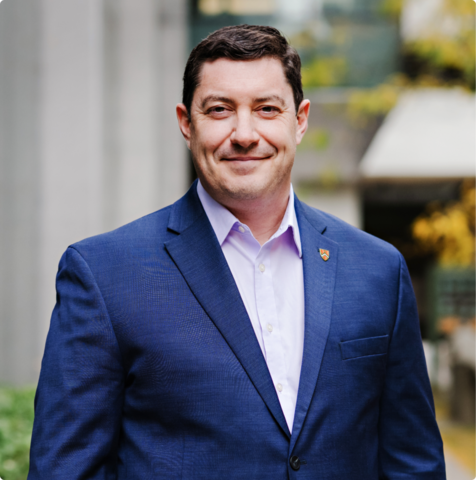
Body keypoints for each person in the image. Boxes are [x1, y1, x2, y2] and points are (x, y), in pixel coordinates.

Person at [28, 25, 446, 479]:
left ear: (300, 120)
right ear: (186, 123)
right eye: (219, 110)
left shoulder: (378, 270)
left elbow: (414, 464)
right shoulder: (104, 275)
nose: (244, 134)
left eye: (267, 109)